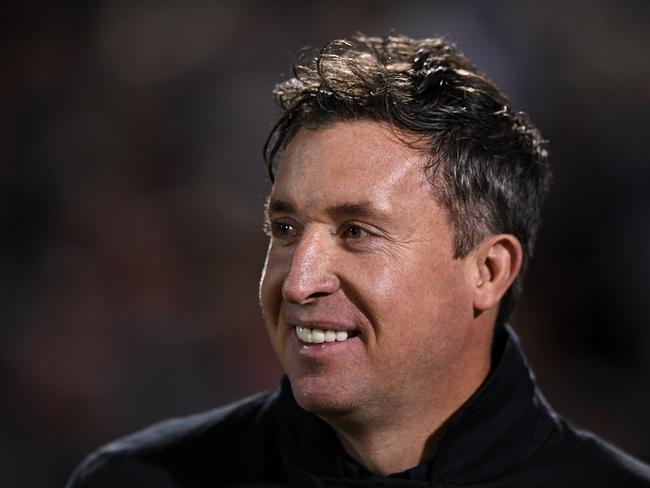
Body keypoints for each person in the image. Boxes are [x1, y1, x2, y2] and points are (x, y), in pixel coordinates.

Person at [66, 34, 650, 487]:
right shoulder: (138, 480)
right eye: (286, 228)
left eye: (357, 232)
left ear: (488, 271)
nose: (298, 281)